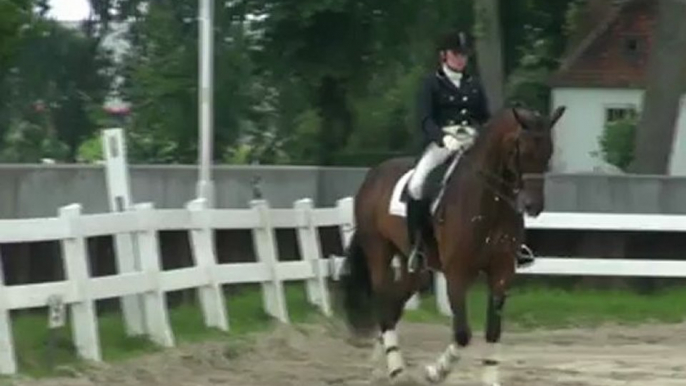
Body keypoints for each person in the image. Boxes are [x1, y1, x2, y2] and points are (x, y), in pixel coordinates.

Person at [405, 30, 535, 270]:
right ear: (444, 56)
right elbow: (425, 120)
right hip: (442, 144)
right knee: (416, 185)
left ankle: (516, 245)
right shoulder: (431, 84)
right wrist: (443, 139)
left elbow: (485, 118)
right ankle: (418, 247)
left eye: (464, 55)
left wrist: (481, 135)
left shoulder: (473, 84)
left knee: (507, 181)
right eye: (457, 54)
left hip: (473, 143)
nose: (461, 59)